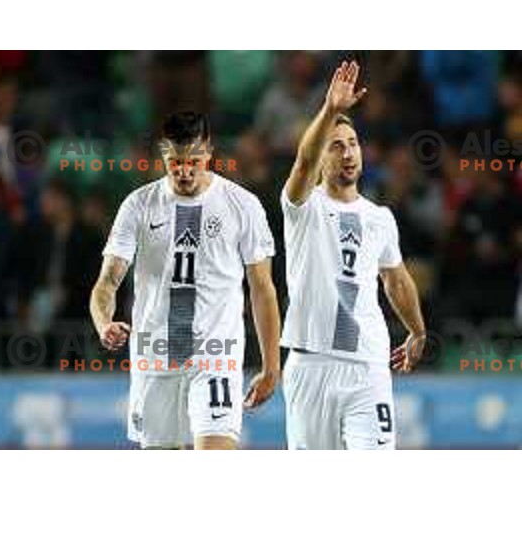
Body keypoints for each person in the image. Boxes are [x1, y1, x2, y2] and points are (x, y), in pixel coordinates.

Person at [90, 111, 280, 449]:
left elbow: (263, 289)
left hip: (215, 356)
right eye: (175, 162)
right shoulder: (138, 205)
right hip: (155, 357)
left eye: (193, 160)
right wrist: (104, 322)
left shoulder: (242, 205)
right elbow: (107, 281)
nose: (184, 171)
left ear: (208, 151)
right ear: (163, 153)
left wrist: (271, 366)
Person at [281, 61, 426, 450]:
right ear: (322, 158)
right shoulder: (302, 207)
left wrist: (417, 330)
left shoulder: (379, 218)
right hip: (311, 365)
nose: (348, 154)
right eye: (336, 145)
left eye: (353, 144)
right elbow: (301, 164)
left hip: (367, 366)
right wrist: (329, 110)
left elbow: (395, 279)